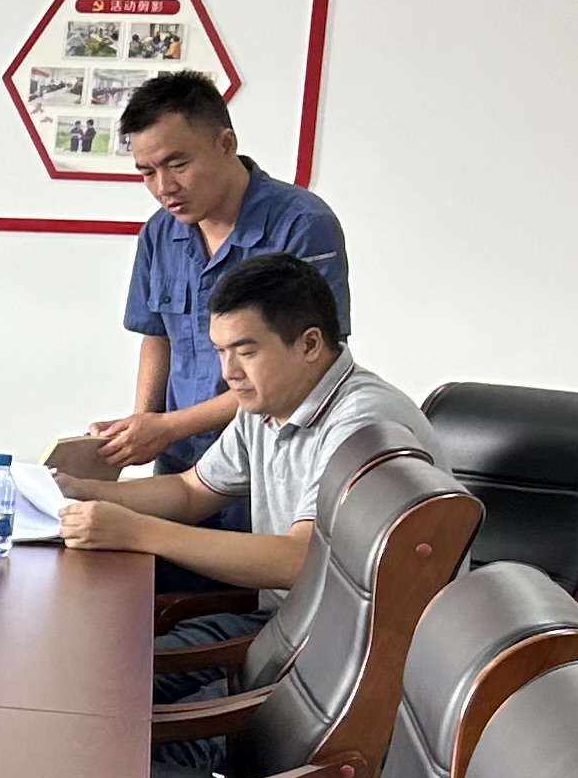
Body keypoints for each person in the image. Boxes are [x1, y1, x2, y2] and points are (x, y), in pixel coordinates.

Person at [49, 253, 430, 596]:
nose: (228, 372)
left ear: (309, 345)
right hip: (285, 625)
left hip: (332, 645)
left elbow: (300, 560)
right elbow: (190, 491)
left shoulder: (363, 422)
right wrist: (77, 490)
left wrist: (137, 532)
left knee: (117, 648)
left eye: (245, 352)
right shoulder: (264, 404)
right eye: (220, 352)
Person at [84, 71, 349, 477]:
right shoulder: (159, 232)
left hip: (265, 463)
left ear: (226, 144)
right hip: (178, 463)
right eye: (147, 172)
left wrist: (167, 427)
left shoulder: (302, 225)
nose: (164, 187)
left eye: (178, 164)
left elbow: (310, 366)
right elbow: (157, 336)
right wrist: (139, 425)